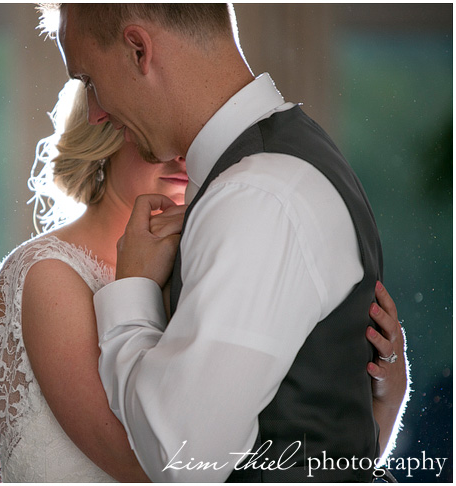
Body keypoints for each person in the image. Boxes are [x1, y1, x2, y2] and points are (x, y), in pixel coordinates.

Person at [40, 3, 411, 481]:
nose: (93, 113)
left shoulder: (255, 195)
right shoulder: (275, 167)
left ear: (138, 50)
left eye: (88, 80)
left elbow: (183, 461)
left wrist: (132, 294)